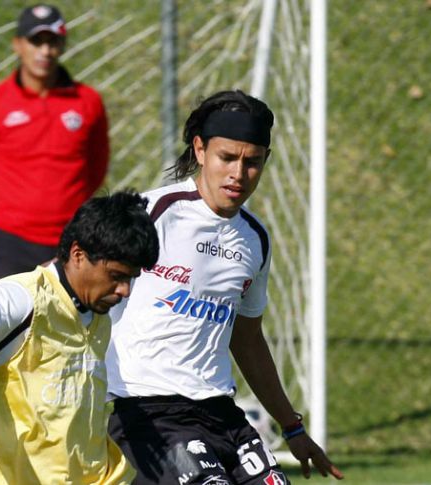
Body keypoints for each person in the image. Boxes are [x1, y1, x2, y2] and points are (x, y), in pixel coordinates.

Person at [105, 90, 345, 484]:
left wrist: (293, 428)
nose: (238, 173)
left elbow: (248, 340)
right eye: (227, 158)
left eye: (252, 162)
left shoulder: (254, 239)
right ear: (200, 150)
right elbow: (75, 280)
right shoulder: (152, 214)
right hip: (149, 414)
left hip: (221, 413)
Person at [0, 190, 159, 485]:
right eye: (116, 276)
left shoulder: (98, 307)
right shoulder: (23, 299)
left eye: (130, 278)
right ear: (78, 255)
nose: (125, 290)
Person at [0, 4, 110, 286]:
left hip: (71, 239)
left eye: (53, 42)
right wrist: (10, 207)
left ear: (63, 45)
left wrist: (64, 207)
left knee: (70, 324)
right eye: (36, 41)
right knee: (8, 327)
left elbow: (96, 167)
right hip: (10, 242)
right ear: (18, 45)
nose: (45, 51)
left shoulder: (88, 103)